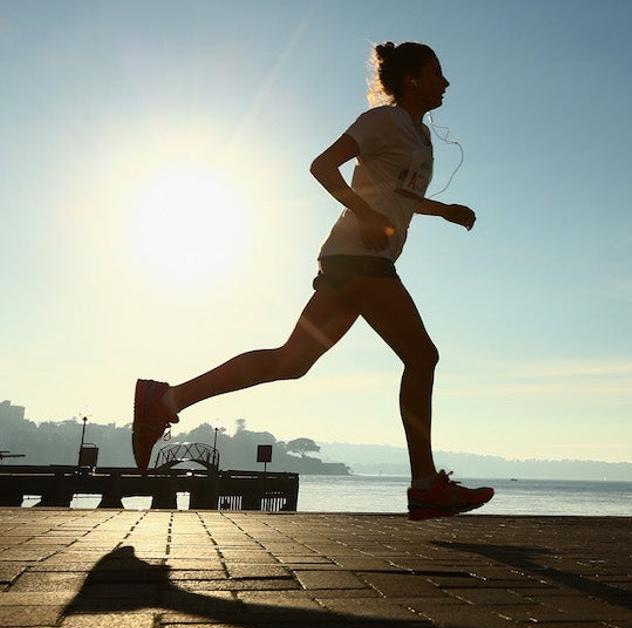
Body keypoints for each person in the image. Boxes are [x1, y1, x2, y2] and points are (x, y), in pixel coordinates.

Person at [131, 41, 493, 520]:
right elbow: (322, 166)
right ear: (411, 80)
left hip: (355, 261)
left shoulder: (420, 138)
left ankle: (167, 398)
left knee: (292, 360)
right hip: (360, 259)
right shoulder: (381, 121)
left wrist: (441, 210)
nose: (444, 83)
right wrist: (363, 212)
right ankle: (425, 485)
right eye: (436, 73)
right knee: (421, 355)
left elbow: (399, 192)